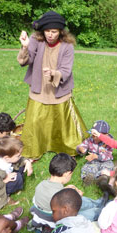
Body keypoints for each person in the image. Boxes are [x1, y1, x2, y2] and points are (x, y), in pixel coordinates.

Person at [17, 10, 88, 159]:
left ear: (60, 32)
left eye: (54, 31)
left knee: (61, 123)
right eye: (47, 31)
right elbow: (25, 61)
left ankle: (66, 148)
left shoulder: (67, 46)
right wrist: (25, 47)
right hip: (39, 89)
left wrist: (54, 74)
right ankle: (35, 148)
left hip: (59, 89)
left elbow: (66, 70)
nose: (50, 34)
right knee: (35, 121)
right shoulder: (36, 40)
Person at [30, 153, 108, 231]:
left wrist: (66, 189)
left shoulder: (41, 184)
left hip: (44, 213)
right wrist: (78, 197)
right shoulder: (60, 196)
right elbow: (69, 211)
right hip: (57, 220)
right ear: (67, 174)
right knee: (89, 213)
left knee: (77, 198)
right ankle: (102, 210)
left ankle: (99, 203)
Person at [76, 120, 114, 185]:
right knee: (87, 167)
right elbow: (83, 145)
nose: (93, 137)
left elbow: (108, 155)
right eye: (92, 135)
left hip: (106, 161)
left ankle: (102, 178)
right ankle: (87, 178)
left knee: (107, 168)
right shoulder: (90, 140)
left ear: (104, 135)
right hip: (93, 160)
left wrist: (96, 156)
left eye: (94, 135)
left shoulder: (109, 142)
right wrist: (80, 148)